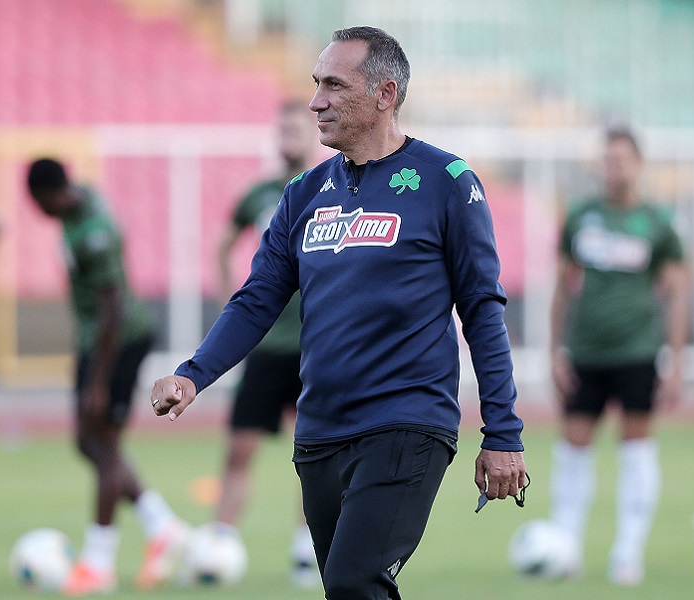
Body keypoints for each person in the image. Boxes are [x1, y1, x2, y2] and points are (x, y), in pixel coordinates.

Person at [151, 26, 526, 600]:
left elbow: (482, 311)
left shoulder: (447, 182)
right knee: (347, 592)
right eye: (315, 83)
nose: (315, 101)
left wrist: (503, 432)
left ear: (384, 94)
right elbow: (257, 298)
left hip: (406, 422)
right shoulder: (303, 193)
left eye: (334, 85)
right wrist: (193, 374)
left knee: (355, 584)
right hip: (320, 432)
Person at [25, 159, 186, 596]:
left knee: (106, 445)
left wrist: (98, 381)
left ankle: (98, 564)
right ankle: (162, 526)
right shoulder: (78, 205)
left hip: (119, 340)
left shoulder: (93, 232)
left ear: (49, 196)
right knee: (86, 441)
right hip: (96, 340)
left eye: (39, 203)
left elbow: (113, 308)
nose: (40, 212)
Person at [548, 128, 690, 585]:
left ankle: (628, 552)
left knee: (636, 449)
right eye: (608, 159)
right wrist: (555, 352)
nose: (614, 167)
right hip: (585, 350)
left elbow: (677, 293)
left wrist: (676, 361)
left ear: (639, 164)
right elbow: (562, 286)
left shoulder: (657, 223)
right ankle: (565, 547)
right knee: (572, 449)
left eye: (622, 159)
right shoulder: (581, 216)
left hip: (637, 351)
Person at [213, 101, 318, 587]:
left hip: (315, 346)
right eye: (283, 130)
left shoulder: (331, 189)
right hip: (266, 346)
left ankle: (305, 551)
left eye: (296, 129)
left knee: (315, 452)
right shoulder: (259, 196)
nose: (288, 138)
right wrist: (231, 309)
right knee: (239, 448)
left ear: (313, 133)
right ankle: (219, 546)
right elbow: (222, 246)